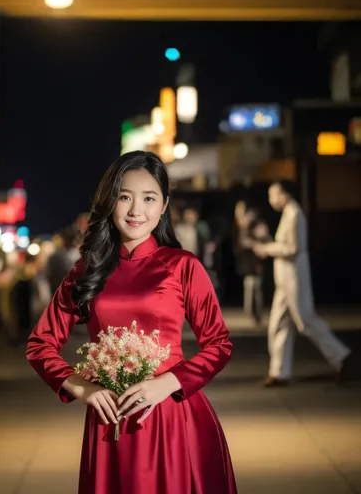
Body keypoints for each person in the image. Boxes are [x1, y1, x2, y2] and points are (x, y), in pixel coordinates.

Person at [27, 151, 237, 494]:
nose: (136, 210)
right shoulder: (87, 271)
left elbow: (219, 344)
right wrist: (83, 387)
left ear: (164, 205)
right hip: (109, 421)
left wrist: (168, 382)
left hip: (172, 415)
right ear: (110, 201)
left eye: (149, 198)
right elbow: (40, 345)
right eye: (125, 197)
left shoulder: (183, 266)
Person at [254, 180, 353, 387]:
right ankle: (279, 372)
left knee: (305, 320)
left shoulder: (294, 214)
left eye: (274, 195)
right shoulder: (289, 214)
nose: (272, 200)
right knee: (278, 324)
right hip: (285, 278)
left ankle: (341, 356)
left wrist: (267, 248)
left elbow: (293, 248)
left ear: (285, 194)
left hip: (294, 277)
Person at [233, 204, 269, 325]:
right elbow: (241, 244)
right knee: (250, 287)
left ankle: (257, 315)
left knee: (256, 288)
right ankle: (250, 313)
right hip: (248, 263)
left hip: (256, 262)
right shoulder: (242, 228)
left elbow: (265, 238)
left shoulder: (258, 225)